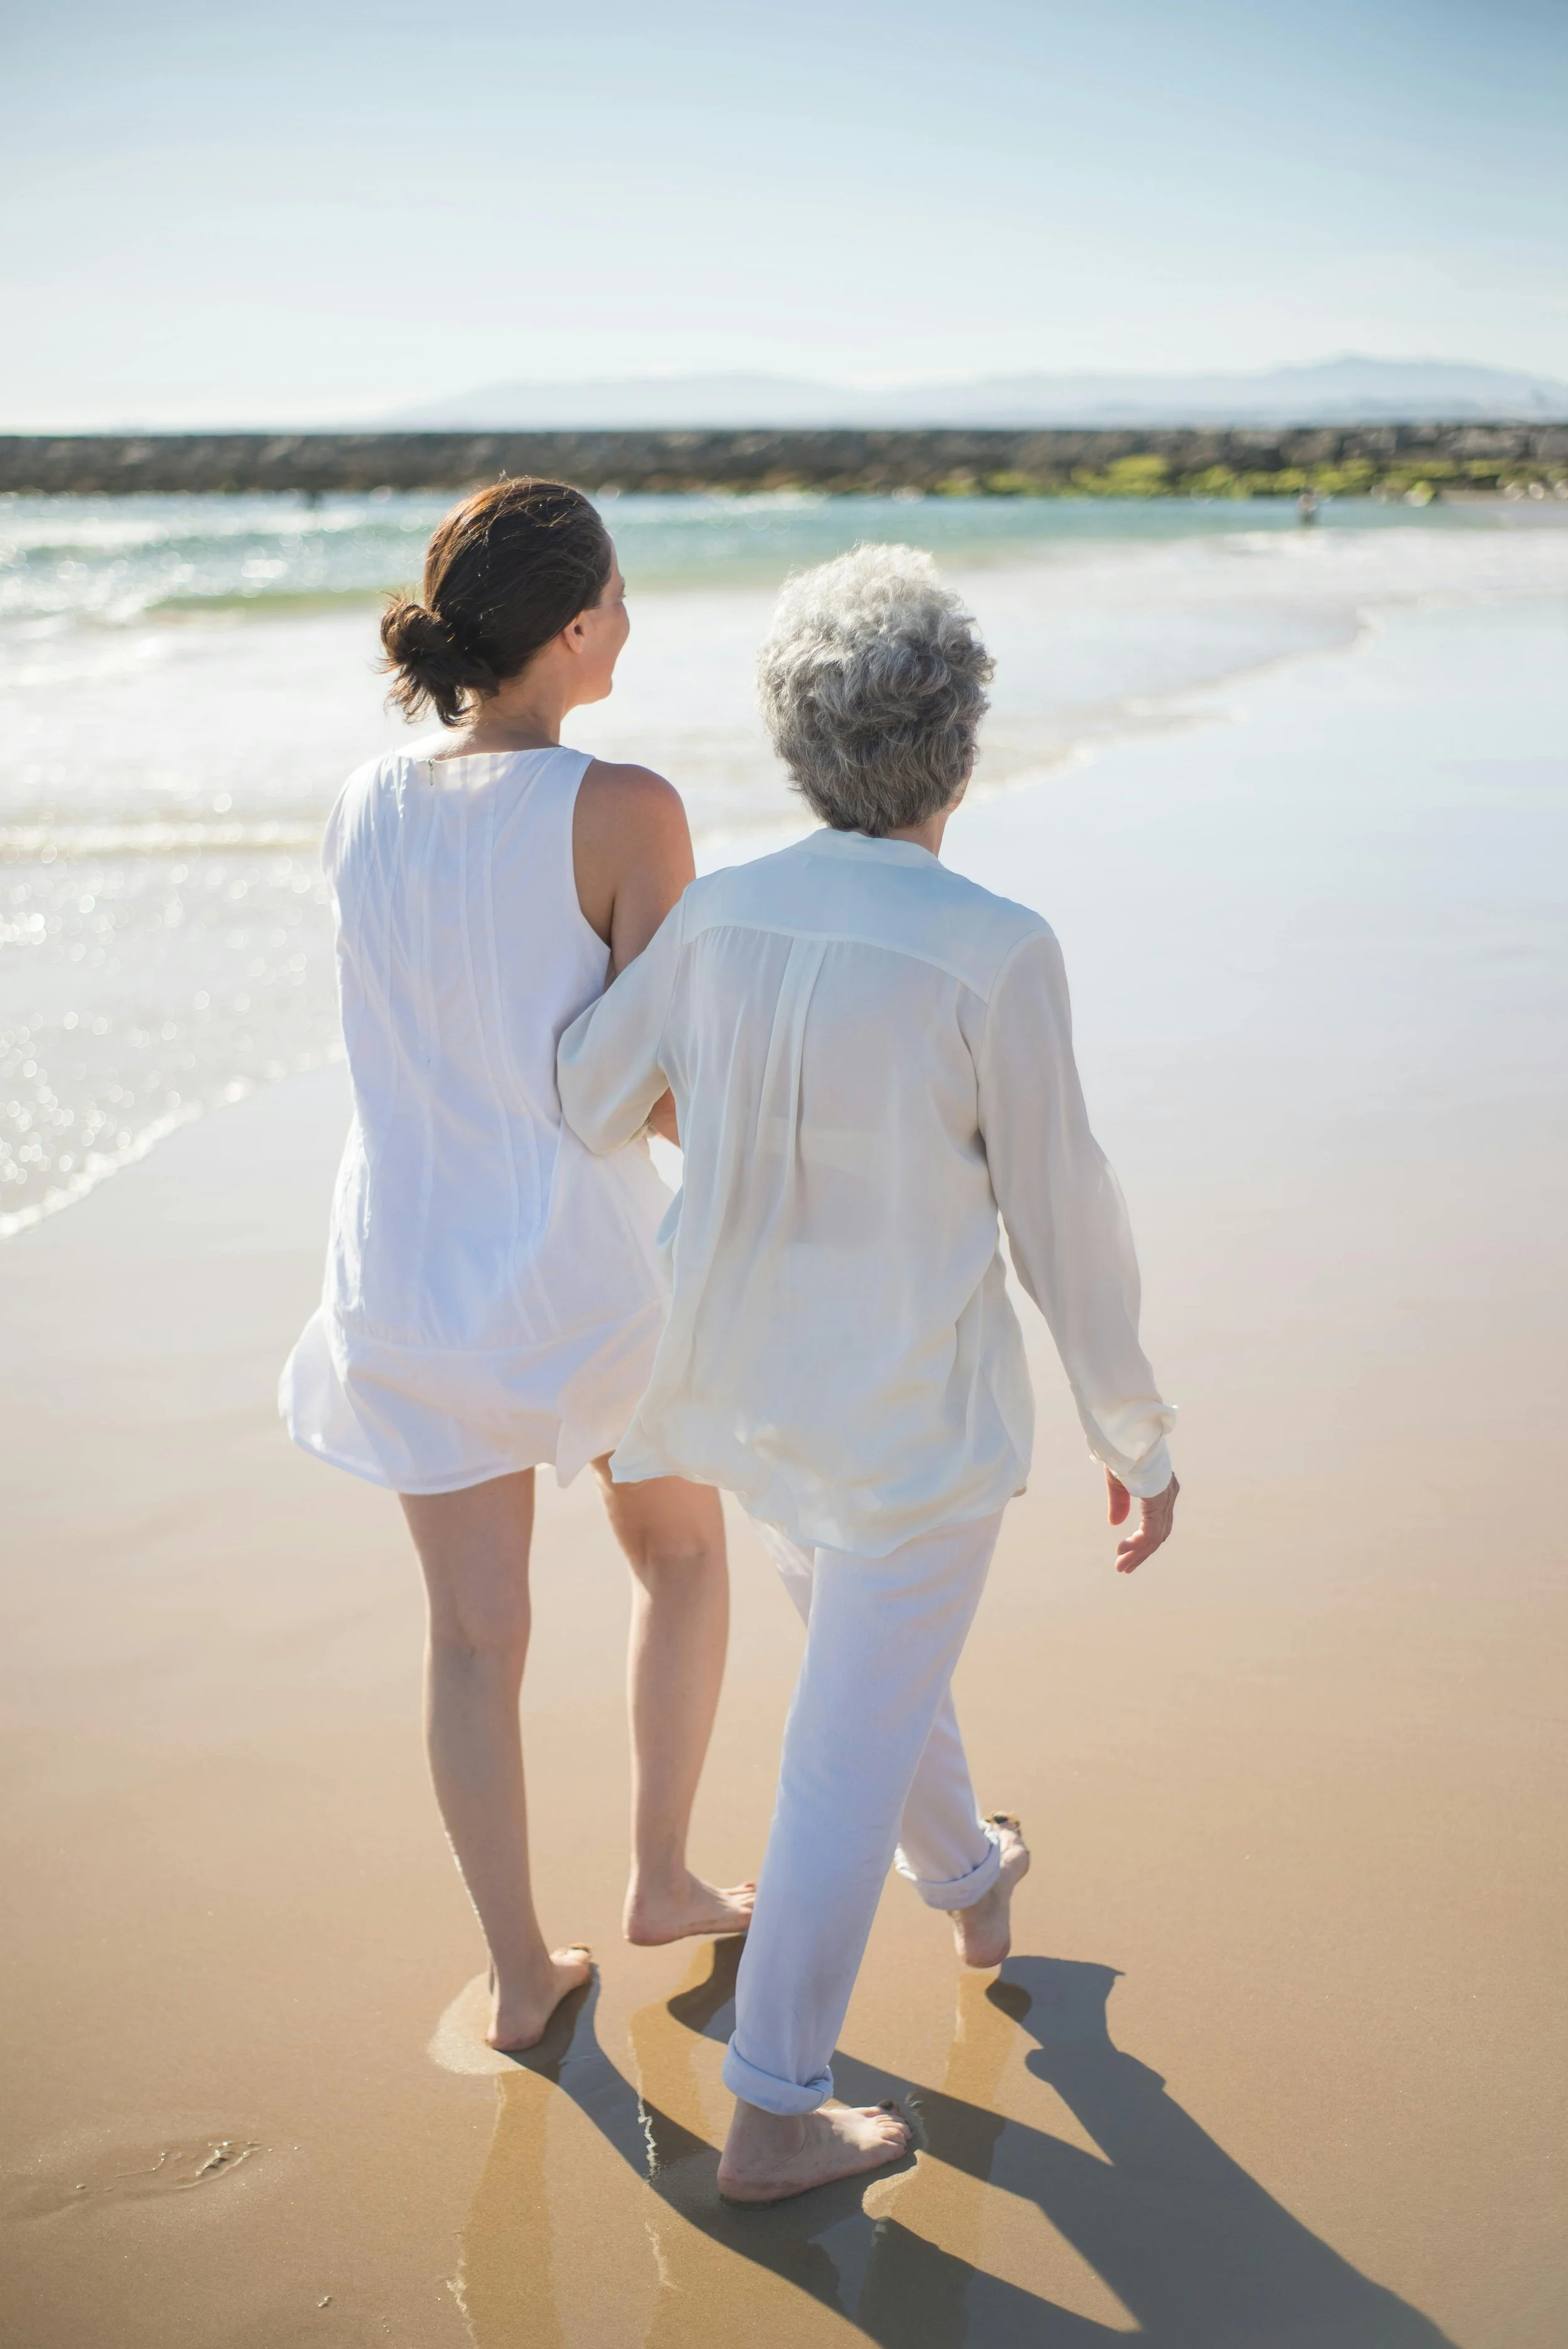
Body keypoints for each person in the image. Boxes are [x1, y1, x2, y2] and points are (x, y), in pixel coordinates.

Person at [558, 543, 1178, 2201]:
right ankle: (771, 2104)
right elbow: (1065, 1215)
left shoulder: (717, 920)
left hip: (746, 1391)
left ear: (797, 745)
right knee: (844, 1727)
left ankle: (971, 1875)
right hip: (911, 1414)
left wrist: (728, 1099)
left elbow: (588, 1095)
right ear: (956, 747)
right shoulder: (994, 945)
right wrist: (1136, 1429)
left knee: (860, 1667)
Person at [280, 478, 751, 2054]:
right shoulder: (625, 807)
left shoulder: (362, 801)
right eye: (619, 595)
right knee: (679, 1557)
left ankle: (517, 1979)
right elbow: (659, 1081)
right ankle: (665, 1879)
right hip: (579, 1270)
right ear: (571, 627)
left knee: (472, 1639)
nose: (629, 620)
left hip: (404, 1270)